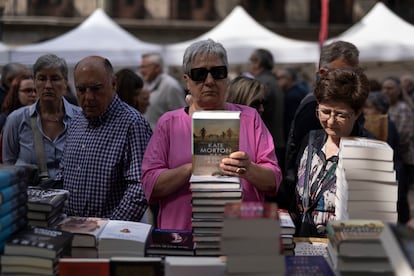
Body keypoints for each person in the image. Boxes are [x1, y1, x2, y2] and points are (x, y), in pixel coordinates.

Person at [142, 39, 282, 231]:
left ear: (227, 77)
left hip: (240, 234)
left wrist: (248, 169)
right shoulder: (169, 123)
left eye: (217, 73)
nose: (209, 81)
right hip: (184, 236)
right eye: (200, 74)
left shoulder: (250, 118)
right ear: (187, 81)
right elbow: (150, 185)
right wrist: (193, 168)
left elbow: (273, 181)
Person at [60, 56, 152, 221]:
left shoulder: (133, 124)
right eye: (81, 90)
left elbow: (140, 187)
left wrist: (109, 229)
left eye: (96, 89)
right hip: (72, 229)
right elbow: (65, 173)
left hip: (112, 238)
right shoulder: (76, 121)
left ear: (113, 84)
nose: (88, 97)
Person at [282, 40, 363, 210]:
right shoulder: (312, 106)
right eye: (345, 74)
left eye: (356, 73)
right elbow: (299, 156)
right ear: (323, 72)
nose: (353, 80)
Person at [291, 67, 371, 237]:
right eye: (325, 112)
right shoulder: (310, 141)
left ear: (357, 113)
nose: (331, 121)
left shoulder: (369, 152)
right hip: (304, 244)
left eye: (341, 115)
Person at [2, 54, 80, 179]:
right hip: (30, 197)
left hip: (72, 196)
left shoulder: (81, 118)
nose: (48, 85)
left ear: (65, 83)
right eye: (42, 79)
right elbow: (9, 165)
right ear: (35, 82)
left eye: (55, 79)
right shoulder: (16, 119)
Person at [381, 76, 414, 223]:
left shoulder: (403, 108)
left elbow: (404, 137)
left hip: (402, 158)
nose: (386, 91)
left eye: (390, 88)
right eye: (384, 88)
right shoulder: (384, 107)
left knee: (400, 197)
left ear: (398, 90)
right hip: (388, 156)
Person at [247, 48, 285, 156]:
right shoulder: (271, 80)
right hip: (274, 140)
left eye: (251, 60)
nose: (249, 64)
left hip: (266, 141)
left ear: (257, 63)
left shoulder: (262, 83)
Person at [139, 52, 186, 129]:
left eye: (144, 67)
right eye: (140, 67)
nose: (141, 71)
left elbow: (181, 118)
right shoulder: (145, 84)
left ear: (157, 68)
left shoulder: (170, 86)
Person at [274, 67, 309, 151]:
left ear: (288, 78)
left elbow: (290, 119)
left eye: (279, 78)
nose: (276, 81)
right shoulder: (300, 89)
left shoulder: (291, 95)